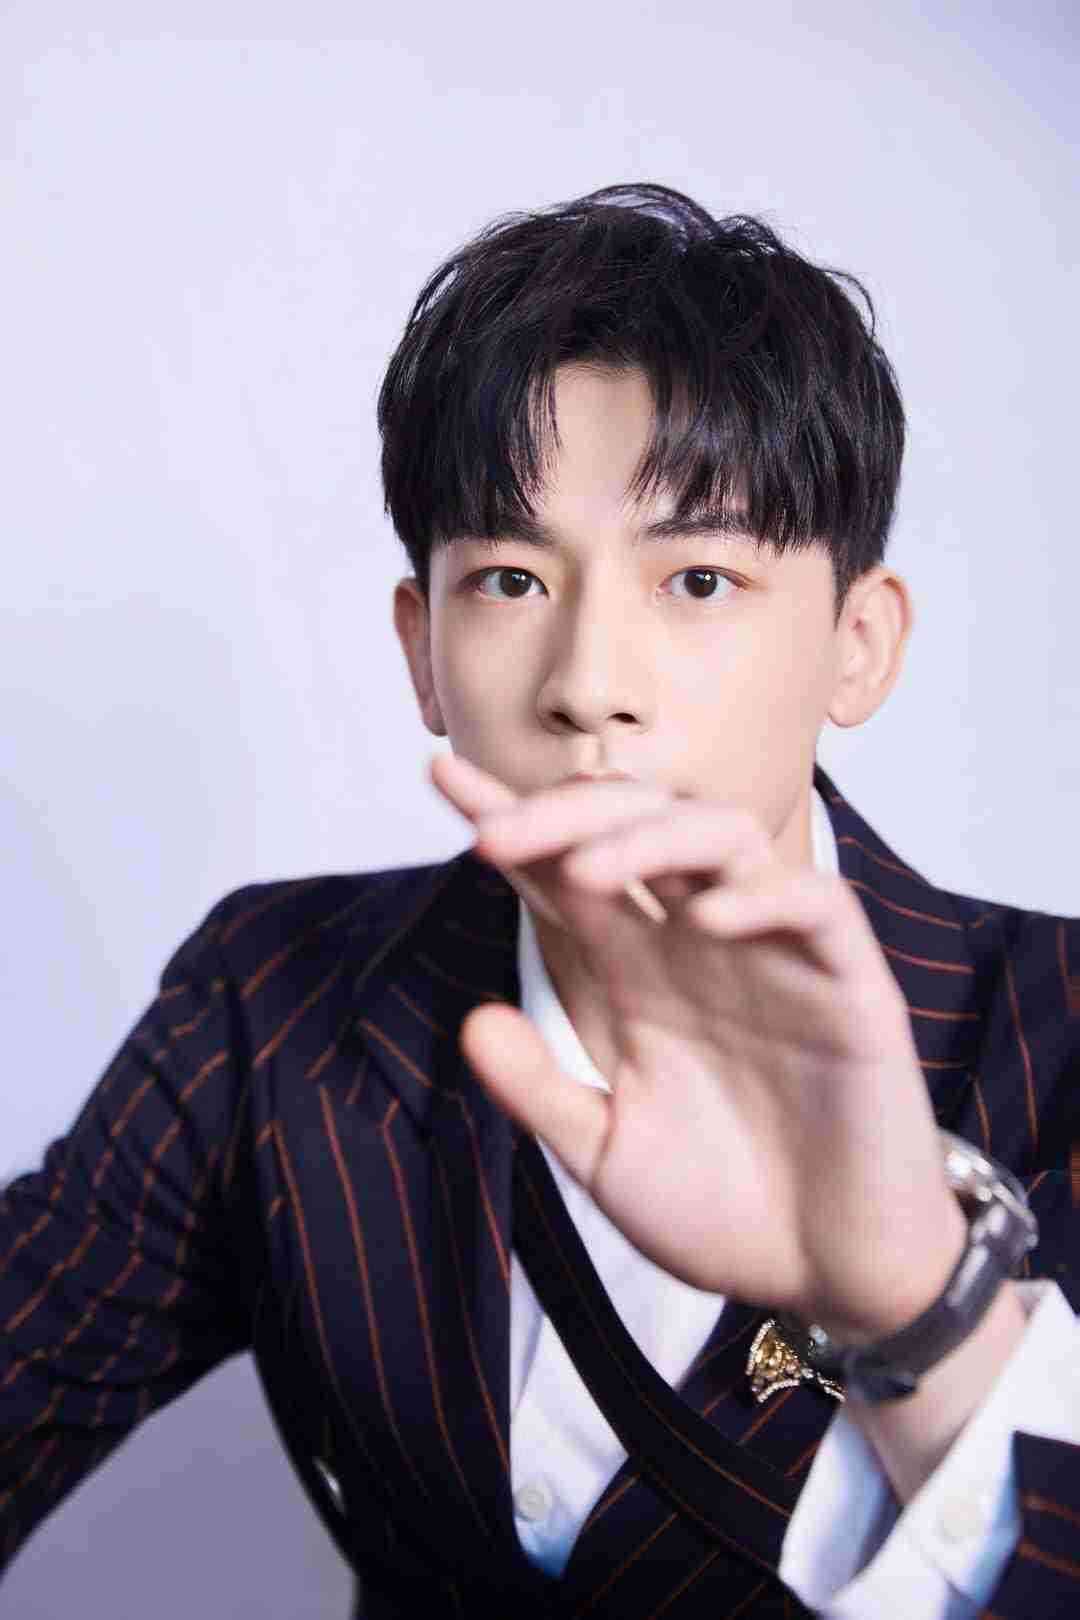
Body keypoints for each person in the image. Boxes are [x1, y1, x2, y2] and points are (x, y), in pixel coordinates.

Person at [1, 183, 1077, 1619]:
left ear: (858, 644)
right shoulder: (275, 996)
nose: (588, 684)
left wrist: (915, 1305)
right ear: (423, 650)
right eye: (510, 579)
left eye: (701, 579)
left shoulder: (1057, 1029)